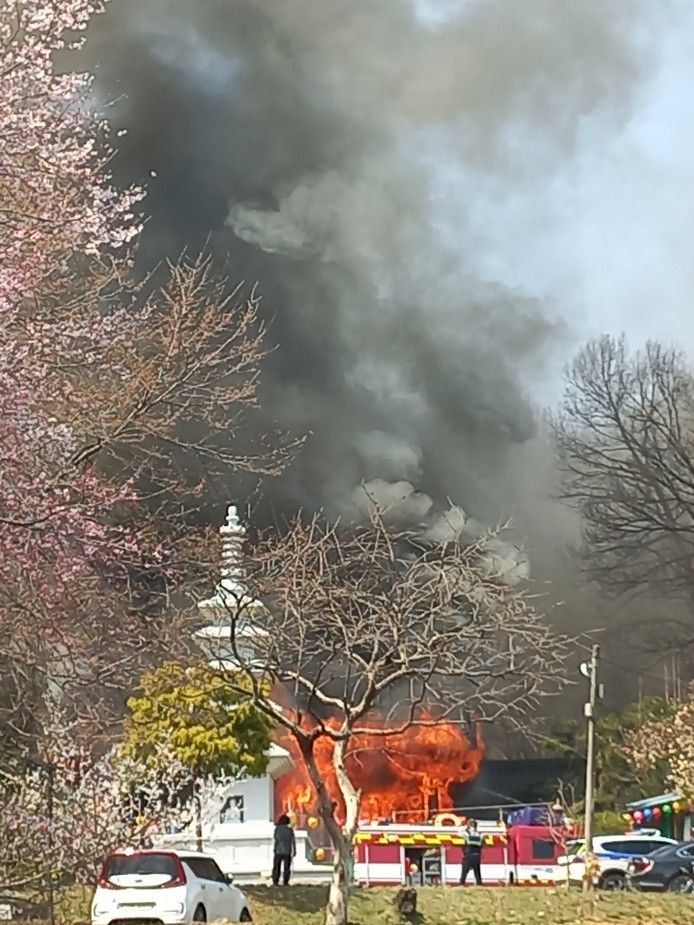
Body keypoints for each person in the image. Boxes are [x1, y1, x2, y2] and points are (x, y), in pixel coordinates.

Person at [272, 813, 296, 886]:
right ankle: (285, 881)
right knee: (286, 867)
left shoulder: (277, 829)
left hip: (278, 850)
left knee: (277, 867)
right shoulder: (290, 829)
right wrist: (294, 850)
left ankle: (275, 880)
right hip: (287, 850)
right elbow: (293, 841)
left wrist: (275, 848)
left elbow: (276, 839)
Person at [460, 819, 483, 886]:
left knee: (465, 872)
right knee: (477, 873)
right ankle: (479, 884)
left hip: (470, 854)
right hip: (474, 855)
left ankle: (462, 884)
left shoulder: (465, 833)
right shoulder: (479, 834)